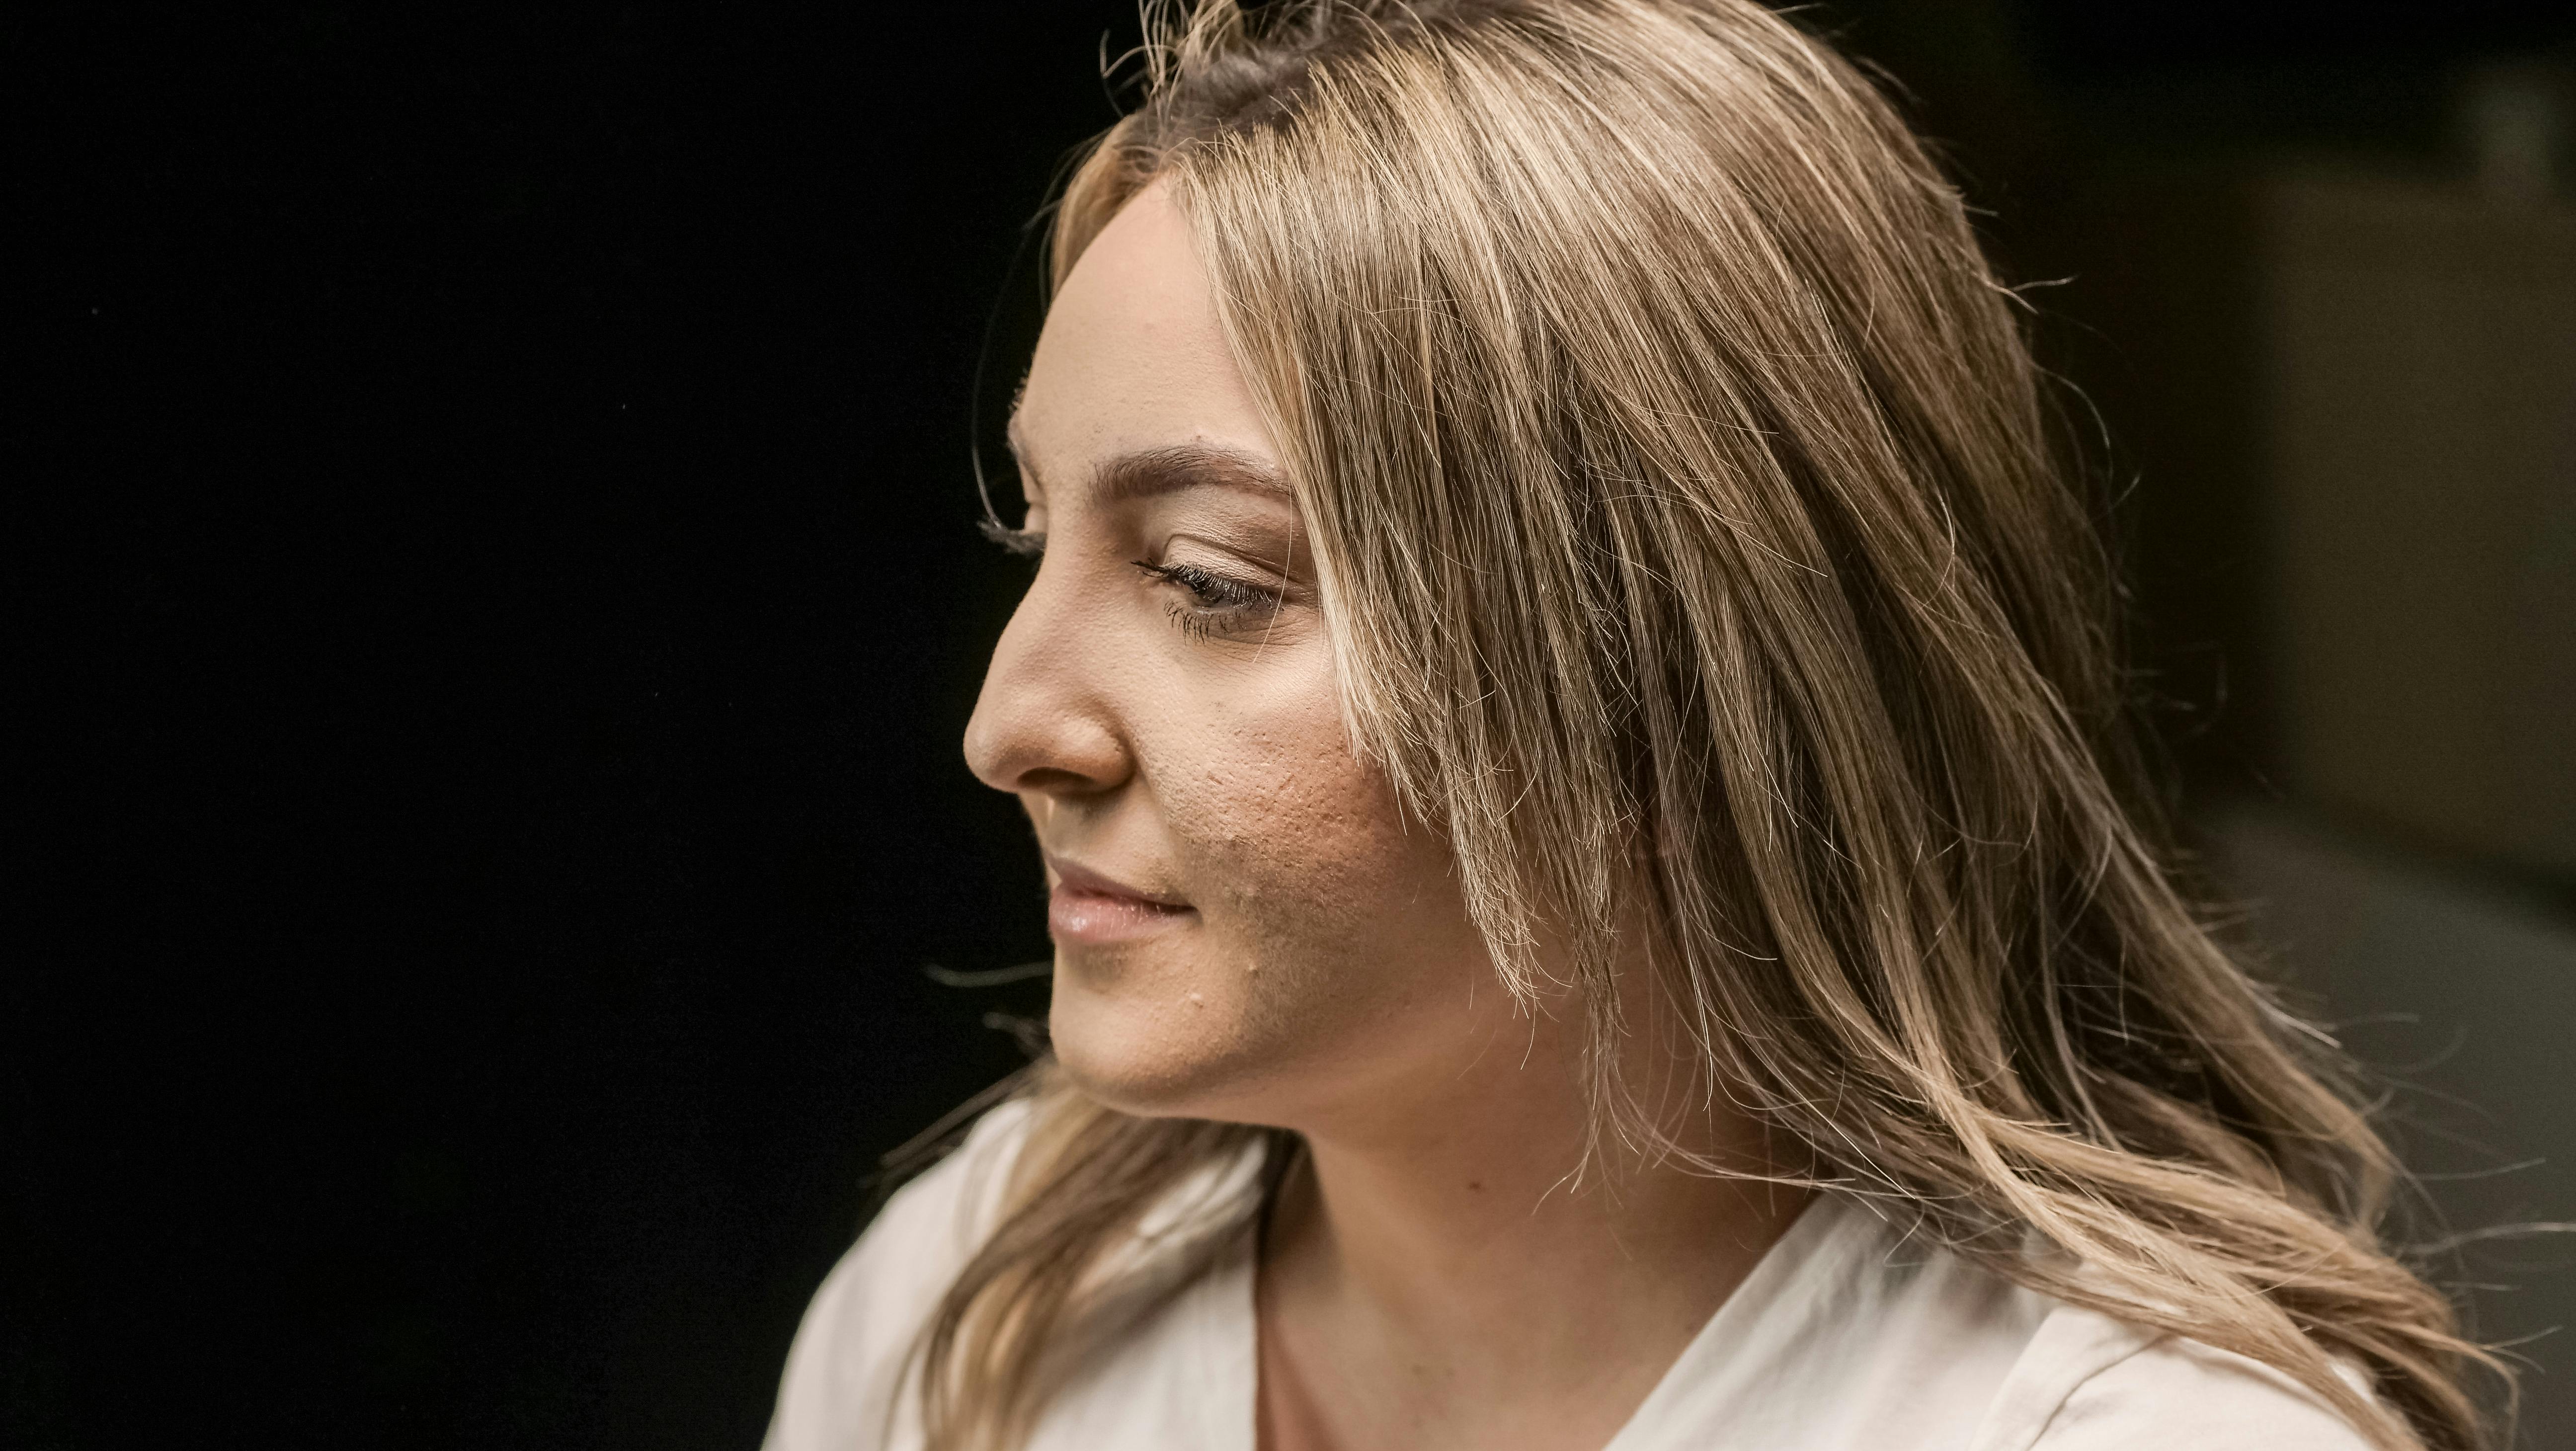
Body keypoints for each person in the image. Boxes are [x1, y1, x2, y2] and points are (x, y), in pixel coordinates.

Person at [766, 2, 2503, 1448]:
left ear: (1671, 681)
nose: (1011, 724)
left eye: (1212, 582)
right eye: (1032, 533)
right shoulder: (980, 1307)